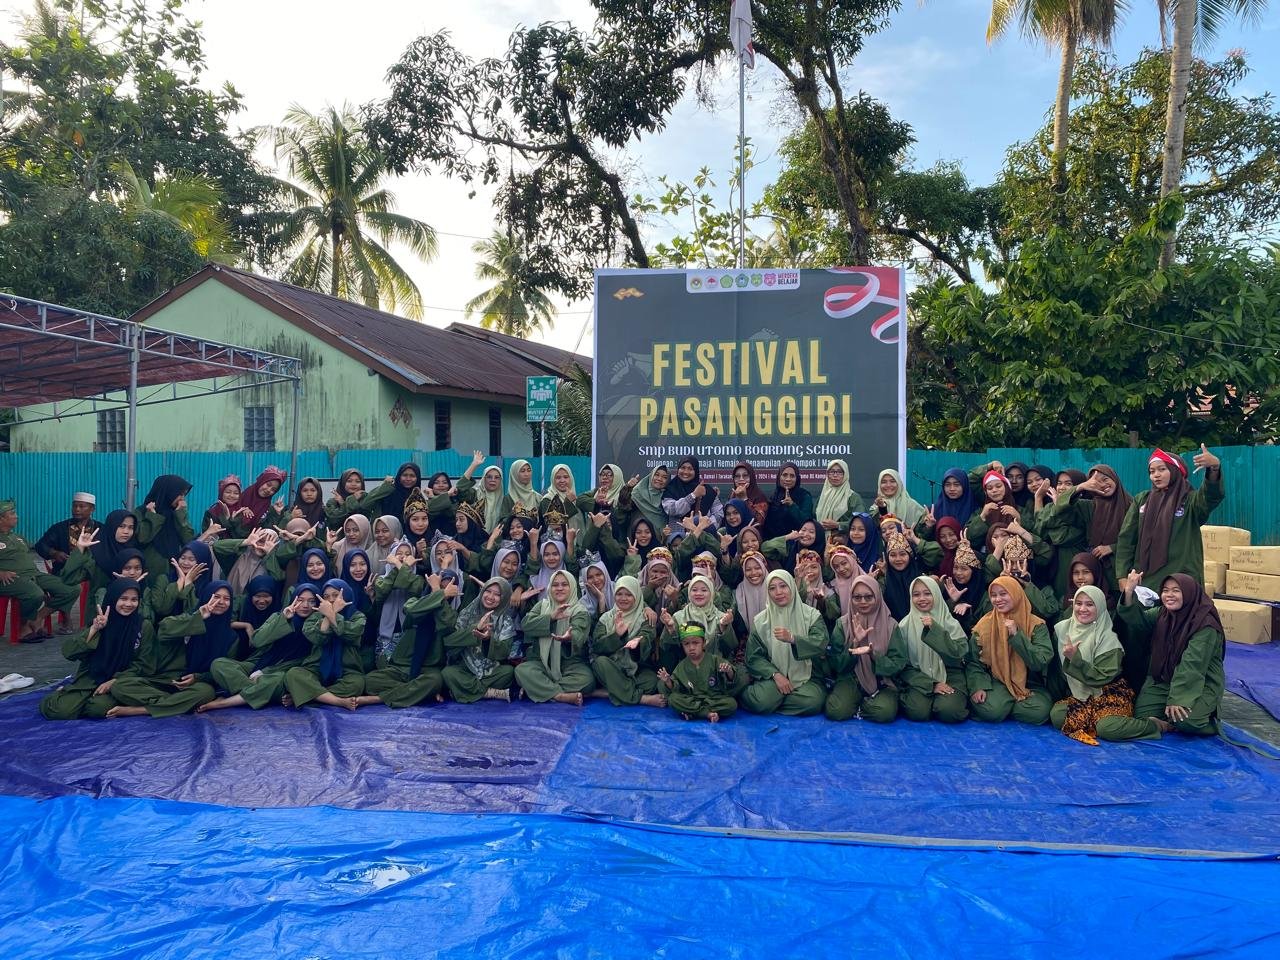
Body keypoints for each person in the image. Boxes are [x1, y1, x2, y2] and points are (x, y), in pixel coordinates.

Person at [1097, 572, 1224, 742]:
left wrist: (1178, 699)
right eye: (1165, 590)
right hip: (1162, 680)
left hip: (1199, 683)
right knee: (1143, 717)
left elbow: (1192, 666)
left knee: (1185, 721)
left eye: (1176, 591)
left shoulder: (1205, 625)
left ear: (1189, 593)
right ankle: (1167, 722)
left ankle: (1210, 722)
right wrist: (1129, 592)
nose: (1169, 595)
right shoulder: (1162, 615)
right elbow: (1137, 620)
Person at [106, 581, 236, 717]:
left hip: (194, 685)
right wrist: (198, 617)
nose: (221, 602)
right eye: (216, 596)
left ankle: (141, 710)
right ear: (206, 597)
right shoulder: (189, 617)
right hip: (163, 680)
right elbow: (164, 629)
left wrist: (197, 677)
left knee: (206, 692)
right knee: (119, 686)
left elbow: (224, 670)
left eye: (227, 599)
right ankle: (176, 704)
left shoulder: (231, 637)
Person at [39, 579, 151, 720]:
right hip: (91, 676)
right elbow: (69, 652)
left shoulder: (143, 626)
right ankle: (63, 694)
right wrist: (94, 629)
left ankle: (88, 701)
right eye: (123, 599)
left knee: (97, 709)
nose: (129, 604)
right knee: (60, 711)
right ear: (113, 598)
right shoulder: (101, 621)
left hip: (123, 681)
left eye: (134, 600)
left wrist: (115, 681)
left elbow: (144, 664)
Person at [1115, 446, 1224, 590]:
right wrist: (1122, 575)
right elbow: (1126, 538)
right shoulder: (1142, 500)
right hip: (1145, 580)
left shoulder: (1189, 500)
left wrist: (1214, 468)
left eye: (1162, 469)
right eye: (1152, 471)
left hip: (1181, 580)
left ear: (1175, 471)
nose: (1156, 475)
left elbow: (1210, 497)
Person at [200, 586, 321, 712]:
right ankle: (258, 693)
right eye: (300, 600)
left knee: (273, 681)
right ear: (293, 600)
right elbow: (257, 641)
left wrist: (264, 673)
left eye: (312, 601)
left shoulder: (318, 627)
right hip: (259, 663)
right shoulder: (279, 616)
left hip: (283, 673)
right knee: (219, 664)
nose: (305, 605)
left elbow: (307, 664)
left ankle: (224, 702)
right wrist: (283, 619)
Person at [357, 573, 461, 709]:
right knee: (369, 681)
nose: (443, 590)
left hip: (428, 670)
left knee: (435, 682)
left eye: (448, 589)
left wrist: (438, 593)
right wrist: (440, 594)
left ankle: (379, 699)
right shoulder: (413, 602)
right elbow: (412, 612)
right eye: (439, 586)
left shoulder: (452, 615)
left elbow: (448, 624)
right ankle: (416, 692)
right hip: (401, 667)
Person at [1050, 585, 1132, 745]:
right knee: (1057, 715)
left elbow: (1101, 678)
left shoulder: (1108, 639)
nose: (1082, 609)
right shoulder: (1063, 629)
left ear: (1100, 607)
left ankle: (1153, 725)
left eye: (1089, 604)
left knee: (1108, 729)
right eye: (1078, 603)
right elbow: (1056, 671)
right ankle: (1094, 720)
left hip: (1107, 692)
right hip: (1081, 695)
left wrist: (1075, 659)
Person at [965, 576, 1053, 725]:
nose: (998, 599)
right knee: (992, 711)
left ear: (1016, 593)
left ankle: (1005, 705)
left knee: (1041, 711)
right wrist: (978, 686)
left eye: (1003, 594)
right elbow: (973, 662)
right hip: (996, 680)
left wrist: (1017, 635)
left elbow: (1040, 662)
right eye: (993, 595)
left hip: (1028, 683)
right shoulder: (984, 625)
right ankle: (1007, 704)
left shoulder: (1036, 625)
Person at [741, 570, 828, 716]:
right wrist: (775, 675)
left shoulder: (811, 615)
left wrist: (793, 639)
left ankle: (775, 701)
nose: (778, 592)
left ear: (792, 587)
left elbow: (821, 642)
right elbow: (753, 657)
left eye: (783, 586)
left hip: (806, 677)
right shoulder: (761, 621)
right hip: (774, 678)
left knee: (813, 702)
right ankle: (771, 698)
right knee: (761, 701)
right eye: (772, 588)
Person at [824, 575, 908, 723]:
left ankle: (859, 706)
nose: (863, 602)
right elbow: (835, 663)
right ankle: (859, 704)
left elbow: (898, 663)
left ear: (877, 597)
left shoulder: (891, 625)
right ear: (851, 598)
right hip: (851, 678)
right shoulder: (843, 624)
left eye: (868, 597)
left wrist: (874, 656)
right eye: (857, 597)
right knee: (836, 710)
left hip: (882, 682)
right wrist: (854, 644)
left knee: (884, 712)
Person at [0, 499, 82, 641]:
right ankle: (23, 628)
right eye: (12, 513)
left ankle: (37, 618)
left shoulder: (18, 537)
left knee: (72, 589)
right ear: (1, 518)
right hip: (11, 578)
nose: (16, 516)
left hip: (33, 574)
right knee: (35, 594)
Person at [282, 578, 368, 711]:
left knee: (357, 684)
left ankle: (306, 695)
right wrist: (328, 615)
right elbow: (317, 638)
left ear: (346, 596)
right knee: (293, 674)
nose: (331, 600)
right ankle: (338, 701)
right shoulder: (316, 616)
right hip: (317, 667)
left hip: (347, 669)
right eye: (326, 597)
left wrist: (333, 614)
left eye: (336, 595)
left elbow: (352, 634)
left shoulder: (358, 616)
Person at [516, 569, 595, 705]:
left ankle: (539, 688)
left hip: (570, 664)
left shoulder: (580, 611)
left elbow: (579, 632)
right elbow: (526, 625)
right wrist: (551, 617)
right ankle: (560, 696)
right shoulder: (542, 605)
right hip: (542, 662)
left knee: (587, 680)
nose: (559, 588)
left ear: (572, 587)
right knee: (521, 671)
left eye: (564, 584)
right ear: (550, 588)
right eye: (555, 585)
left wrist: (569, 637)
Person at [897, 577, 970, 723]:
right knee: (917, 711)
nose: (922, 599)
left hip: (951, 675)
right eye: (916, 594)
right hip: (919, 677)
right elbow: (902, 665)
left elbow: (958, 655)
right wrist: (931, 684)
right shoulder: (904, 626)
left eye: (927, 593)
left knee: (949, 711)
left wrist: (935, 630)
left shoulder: (950, 623)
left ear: (936, 594)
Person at [590, 575, 666, 708]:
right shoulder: (606, 618)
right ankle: (641, 699)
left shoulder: (646, 617)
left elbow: (647, 637)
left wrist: (637, 644)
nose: (623, 598)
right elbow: (597, 646)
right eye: (619, 594)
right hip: (611, 667)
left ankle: (609, 692)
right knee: (600, 662)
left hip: (634, 669)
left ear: (636, 596)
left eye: (629, 594)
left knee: (651, 681)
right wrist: (617, 636)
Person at [441, 577, 518, 703]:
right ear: (482, 591)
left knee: (508, 672)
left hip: (491, 671)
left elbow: (504, 653)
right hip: (466, 668)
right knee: (448, 673)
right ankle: (490, 692)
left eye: (497, 594)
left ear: (503, 599)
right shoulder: (467, 613)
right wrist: (476, 629)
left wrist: (488, 639)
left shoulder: (506, 621)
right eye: (488, 591)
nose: (491, 597)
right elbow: (450, 642)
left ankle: (463, 690)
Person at [660, 624, 746, 722]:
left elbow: (732, 680)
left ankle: (693, 712)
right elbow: (676, 687)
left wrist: (729, 671)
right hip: (692, 699)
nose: (691, 647)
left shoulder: (714, 660)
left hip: (713, 699)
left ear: (704, 643)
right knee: (673, 699)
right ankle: (708, 713)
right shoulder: (681, 666)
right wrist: (668, 681)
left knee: (731, 704)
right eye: (686, 644)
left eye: (695, 643)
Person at [136, 474, 194, 584]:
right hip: (149, 572)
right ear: (169, 492)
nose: (182, 499)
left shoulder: (177, 513)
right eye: (180, 494)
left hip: (173, 570)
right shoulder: (142, 512)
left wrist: (181, 515)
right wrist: (153, 516)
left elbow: (188, 540)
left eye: (184, 495)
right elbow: (142, 538)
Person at [35, 492, 99, 576]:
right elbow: (41, 545)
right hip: (64, 573)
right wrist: (54, 553)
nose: (77, 509)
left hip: (93, 575)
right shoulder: (60, 528)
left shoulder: (100, 529)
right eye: (74, 506)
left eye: (81, 506)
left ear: (92, 509)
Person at [662, 457, 723, 528]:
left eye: (690, 469)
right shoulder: (670, 488)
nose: (686, 472)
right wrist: (693, 495)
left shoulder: (706, 489)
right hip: (677, 532)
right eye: (683, 468)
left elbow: (719, 514)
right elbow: (672, 510)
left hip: (704, 532)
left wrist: (703, 526)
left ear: (696, 471)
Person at [760, 462, 814, 540]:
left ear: (797, 479)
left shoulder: (804, 496)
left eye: (792, 476)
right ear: (779, 477)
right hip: (774, 543)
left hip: (797, 542)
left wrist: (792, 505)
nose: (788, 479)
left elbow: (807, 522)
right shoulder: (773, 497)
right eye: (784, 475)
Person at [814, 459, 864, 536]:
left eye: (839, 472)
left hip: (843, 540)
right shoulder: (822, 497)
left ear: (845, 474)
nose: (835, 475)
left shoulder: (853, 497)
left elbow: (861, 521)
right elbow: (813, 518)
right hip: (821, 540)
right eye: (832, 472)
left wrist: (838, 525)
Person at [627, 466, 669, 535]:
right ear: (651, 476)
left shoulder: (669, 498)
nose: (659, 479)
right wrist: (627, 488)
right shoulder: (638, 493)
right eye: (656, 475)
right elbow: (623, 508)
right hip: (637, 537)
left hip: (660, 538)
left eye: (664, 477)